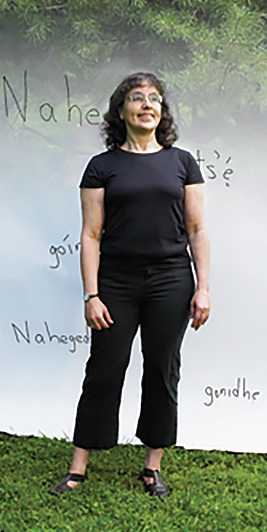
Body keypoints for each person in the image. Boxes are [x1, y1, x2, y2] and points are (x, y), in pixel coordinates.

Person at [51, 72, 210, 498]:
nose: (147, 104)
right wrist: (92, 294)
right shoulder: (102, 166)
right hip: (115, 282)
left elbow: (196, 229)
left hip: (172, 282)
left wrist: (203, 287)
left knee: (162, 369)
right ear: (121, 110)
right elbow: (90, 235)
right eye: (136, 98)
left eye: (155, 98)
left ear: (162, 111)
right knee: (104, 369)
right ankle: (78, 467)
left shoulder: (182, 163)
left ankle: (152, 467)